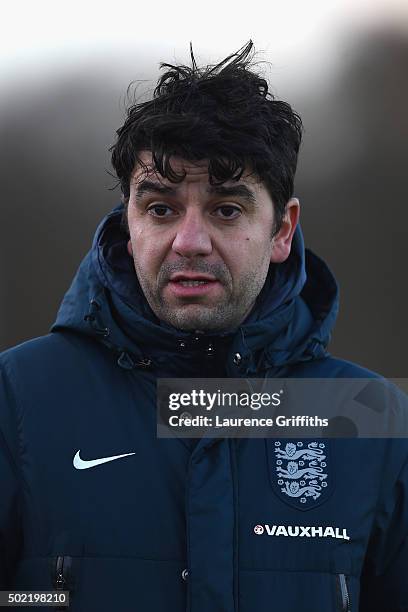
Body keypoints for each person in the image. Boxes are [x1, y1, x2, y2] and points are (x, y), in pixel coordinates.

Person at [0, 41, 407, 612]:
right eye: (161, 209)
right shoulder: (19, 396)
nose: (189, 242)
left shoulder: (369, 415)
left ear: (282, 229)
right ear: (129, 220)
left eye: (226, 209)